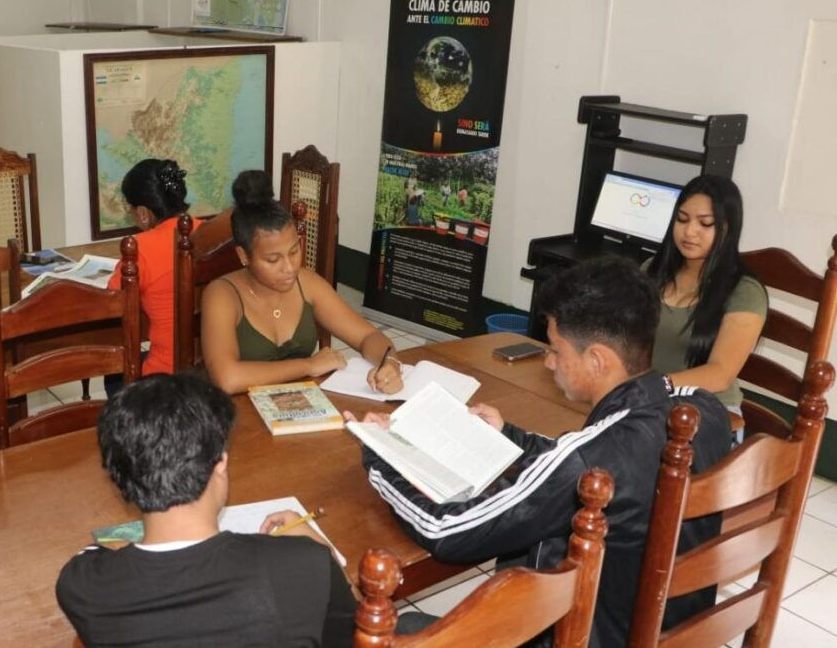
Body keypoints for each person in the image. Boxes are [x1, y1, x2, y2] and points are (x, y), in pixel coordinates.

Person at [349, 257, 732, 647]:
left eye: (555, 350)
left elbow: (447, 531)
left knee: (405, 628)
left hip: (586, 636)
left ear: (597, 360)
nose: (548, 362)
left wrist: (381, 458)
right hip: (669, 632)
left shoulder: (587, 464)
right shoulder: (705, 411)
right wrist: (509, 437)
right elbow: (590, 456)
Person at [56, 374, 356, 646]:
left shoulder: (81, 585)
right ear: (220, 461)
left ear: (119, 477)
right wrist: (324, 552)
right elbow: (359, 630)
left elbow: (96, 556)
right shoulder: (306, 564)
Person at [201, 170, 402, 395]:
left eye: (294, 251)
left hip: (302, 403)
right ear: (243, 256)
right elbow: (227, 379)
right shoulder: (221, 295)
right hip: (239, 408)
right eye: (273, 260)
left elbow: (368, 336)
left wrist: (390, 364)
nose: (289, 267)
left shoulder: (306, 283)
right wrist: (308, 365)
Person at [645, 175, 767, 422]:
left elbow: (720, 374)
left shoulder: (744, 292)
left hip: (707, 413)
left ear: (729, 228)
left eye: (706, 223)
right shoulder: (652, 270)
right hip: (648, 405)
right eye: (682, 219)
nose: (690, 231)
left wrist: (652, 387)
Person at [106, 159, 196, 381]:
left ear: (144, 213)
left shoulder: (139, 248)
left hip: (163, 377)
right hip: (207, 365)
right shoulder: (208, 232)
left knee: (112, 377)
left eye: (131, 210)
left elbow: (112, 302)